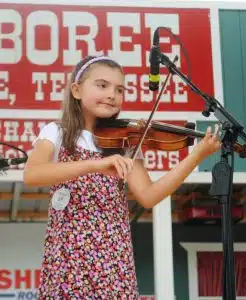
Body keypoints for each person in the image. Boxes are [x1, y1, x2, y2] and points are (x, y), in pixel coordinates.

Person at [24, 55, 221, 299]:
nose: (112, 95)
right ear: (76, 90)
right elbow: (32, 174)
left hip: (113, 258)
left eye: (119, 90)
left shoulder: (123, 142)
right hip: (68, 257)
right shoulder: (57, 132)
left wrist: (196, 156)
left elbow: (149, 196)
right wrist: (95, 165)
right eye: (102, 85)